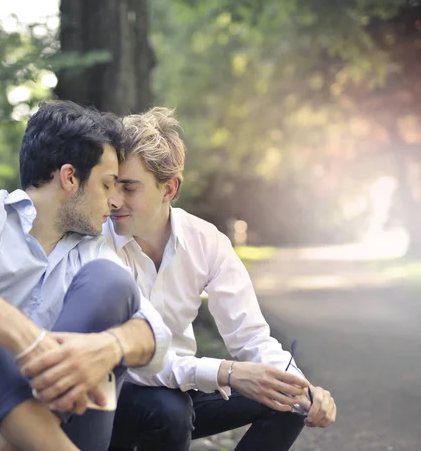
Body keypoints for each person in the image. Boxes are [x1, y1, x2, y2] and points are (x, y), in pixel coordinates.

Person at [0, 101, 171, 451]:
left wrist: (109, 345)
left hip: (63, 426)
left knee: (110, 284)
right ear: (70, 177)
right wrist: (31, 344)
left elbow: (156, 334)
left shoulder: (93, 251)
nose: (115, 201)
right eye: (107, 184)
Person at [104, 107, 337, 451]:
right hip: (108, 400)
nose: (113, 200)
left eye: (129, 188)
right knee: (169, 410)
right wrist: (225, 372)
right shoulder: (95, 243)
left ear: (168, 189)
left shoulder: (206, 242)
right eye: (110, 185)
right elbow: (133, 363)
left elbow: (251, 336)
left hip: (179, 389)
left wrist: (304, 387)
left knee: (289, 399)